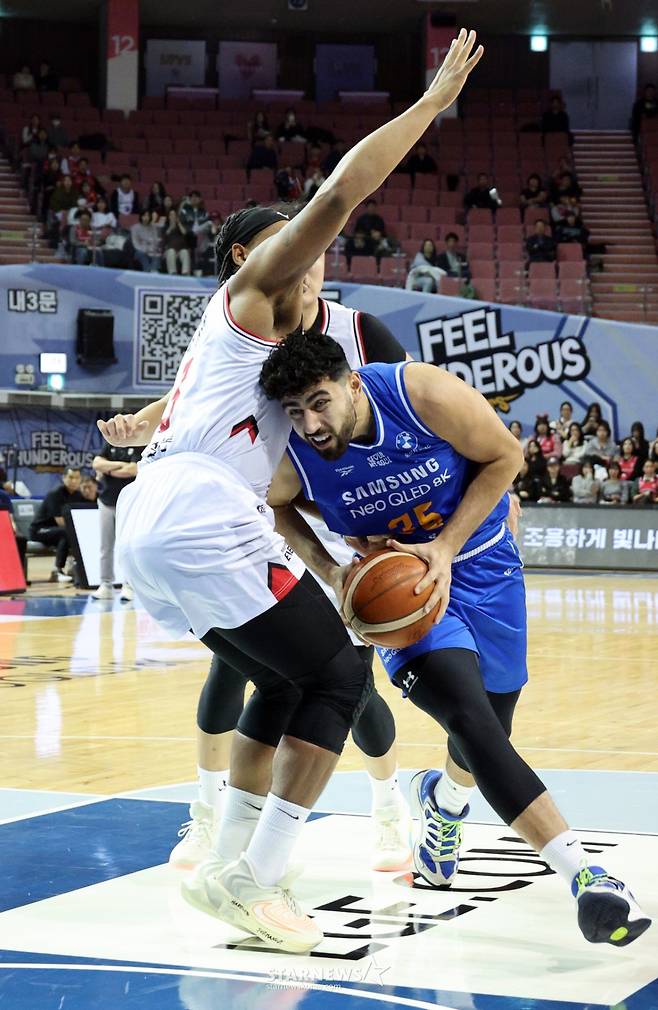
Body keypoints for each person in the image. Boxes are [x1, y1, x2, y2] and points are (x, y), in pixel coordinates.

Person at [97, 28, 486, 955]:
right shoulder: (261, 291)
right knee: (342, 676)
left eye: (309, 251)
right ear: (260, 259)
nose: (308, 258)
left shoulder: (306, 342)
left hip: (164, 516)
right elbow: (343, 190)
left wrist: (139, 429)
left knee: (279, 677)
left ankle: (227, 853)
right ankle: (255, 878)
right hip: (199, 514)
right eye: (294, 247)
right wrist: (431, 106)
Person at [261, 329, 650, 947]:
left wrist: (444, 546)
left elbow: (506, 456)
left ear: (352, 384)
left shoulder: (419, 393)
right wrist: (331, 568)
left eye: (319, 401)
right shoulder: (290, 454)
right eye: (295, 411)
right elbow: (276, 504)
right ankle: (589, 875)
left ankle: (442, 802)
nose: (310, 422)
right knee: (471, 719)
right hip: (405, 599)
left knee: (494, 717)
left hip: (485, 566)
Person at [169, 245, 416, 876]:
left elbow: (415, 418)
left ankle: (389, 807)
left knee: (349, 687)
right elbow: (190, 408)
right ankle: (212, 819)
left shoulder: (359, 330)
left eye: (315, 253)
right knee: (235, 672)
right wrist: (144, 435)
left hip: (347, 530)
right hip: (261, 526)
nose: (308, 264)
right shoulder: (249, 332)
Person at [91, 443, 138, 601]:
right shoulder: (109, 444)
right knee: (105, 547)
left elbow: (133, 470)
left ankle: (129, 585)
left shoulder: (138, 445)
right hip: (106, 501)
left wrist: (107, 469)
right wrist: (119, 466)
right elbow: (96, 464)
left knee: (127, 547)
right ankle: (106, 584)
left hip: (128, 503)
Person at [28, 468, 84, 581]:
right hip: (40, 530)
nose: (74, 481)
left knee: (70, 534)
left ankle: (75, 568)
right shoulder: (55, 494)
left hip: (58, 531)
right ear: (64, 478)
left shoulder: (79, 496)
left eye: (77, 478)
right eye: (71, 477)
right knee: (65, 533)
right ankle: (57, 571)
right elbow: (60, 522)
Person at [0, 483, 27, 580]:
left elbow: (10, 518)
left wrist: (13, 528)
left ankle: (17, 576)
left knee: (20, 540)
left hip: (2, 529)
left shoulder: (3, 495)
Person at [163, 209, 191, 275]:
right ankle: (173, 273)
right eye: (171, 215)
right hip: (170, 250)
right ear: (169, 217)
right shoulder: (165, 226)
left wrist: (178, 223)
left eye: (174, 215)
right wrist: (171, 227)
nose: (173, 216)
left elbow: (184, 233)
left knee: (185, 252)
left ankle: (185, 273)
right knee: (171, 252)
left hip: (181, 249)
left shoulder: (180, 226)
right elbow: (165, 236)